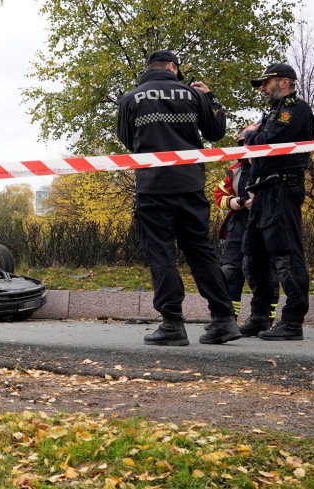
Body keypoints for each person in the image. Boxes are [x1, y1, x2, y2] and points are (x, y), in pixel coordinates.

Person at [116, 50, 241, 346]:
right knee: (201, 253)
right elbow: (216, 132)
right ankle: (224, 320)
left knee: (161, 255)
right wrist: (210, 97)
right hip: (190, 186)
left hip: (153, 188)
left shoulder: (130, 98)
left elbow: (126, 138)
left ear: (150, 68)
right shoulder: (192, 95)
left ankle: (173, 324)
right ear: (173, 67)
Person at [240, 63, 314, 341]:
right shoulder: (272, 112)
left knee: (286, 255)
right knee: (253, 257)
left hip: (282, 189)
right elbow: (256, 149)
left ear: (284, 82)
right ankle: (261, 317)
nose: (262, 89)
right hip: (262, 192)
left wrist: (250, 135)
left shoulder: (295, 110)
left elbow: (267, 142)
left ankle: (293, 321)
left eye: (266, 83)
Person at [213, 142, 279, 332]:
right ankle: (227, 319)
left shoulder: (275, 166)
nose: (247, 147)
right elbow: (219, 195)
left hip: (265, 222)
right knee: (229, 271)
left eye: (251, 143)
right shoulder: (236, 170)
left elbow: (286, 194)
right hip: (239, 224)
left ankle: (264, 318)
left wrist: (259, 202)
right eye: (244, 144)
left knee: (265, 272)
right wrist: (233, 202)